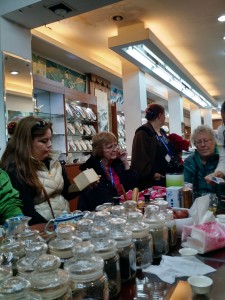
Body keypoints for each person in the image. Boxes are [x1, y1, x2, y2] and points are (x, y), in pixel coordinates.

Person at [0, 116, 79, 225]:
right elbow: (28, 213)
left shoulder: (54, 161)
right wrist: (52, 228)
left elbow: (65, 193)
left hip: (62, 226)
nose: (50, 145)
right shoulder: (16, 169)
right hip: (42, 232)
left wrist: (83, 185)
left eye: (50, 139)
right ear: (26, 143)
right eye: (43, 141)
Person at [77, 131, 138, 211]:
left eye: (115, 145)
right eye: (110, 147)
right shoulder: (90, 168)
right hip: (99, 211)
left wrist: (125, 162)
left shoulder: (117, 164)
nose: (115, 150)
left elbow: (132, 186)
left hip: (120, 208)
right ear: (99, 150)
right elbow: (95, 197)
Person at [131, 103, 182, 190]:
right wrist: (151, 173)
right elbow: (139, 156)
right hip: (153, 181)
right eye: (164, 115)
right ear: (160, 115)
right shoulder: (143, 132)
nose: (165, 118)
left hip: (168, 176)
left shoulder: (161, 132)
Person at [184, 125, 225, 200]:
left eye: (206, 141)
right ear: (195, 145)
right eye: (198, 142)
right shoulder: (189, 162)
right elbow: (186, 186)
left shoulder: (222, 160)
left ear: (214, 141)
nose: (203, 145)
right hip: (196, 204)